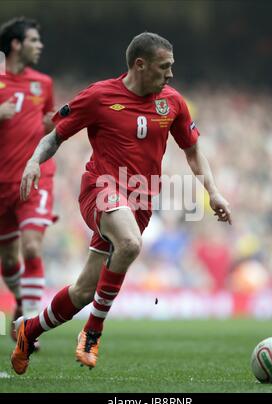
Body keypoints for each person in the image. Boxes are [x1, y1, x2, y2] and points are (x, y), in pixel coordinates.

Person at [11, 32, 231, 375]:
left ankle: (29, 330)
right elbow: (54, 136)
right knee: (129, 243)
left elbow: (192, 150)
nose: (171, 74)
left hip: (140, 202)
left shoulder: (172, 102)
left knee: (84, 291)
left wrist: (213, 191)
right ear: (140, 65)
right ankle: (93, 332)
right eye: (165, 67)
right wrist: (33, 161)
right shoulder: (100, 96)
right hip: (101, 189)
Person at [0, 17, 56, 342]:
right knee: (8, 259)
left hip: (34, 177)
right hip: (2, 184)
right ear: (17, 44)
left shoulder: (43, 83)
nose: (40, 45)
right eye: (34, 40)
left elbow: (47, 126)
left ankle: (29, 329)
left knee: (32, 247)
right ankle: (22, 299)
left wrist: (52, 125)